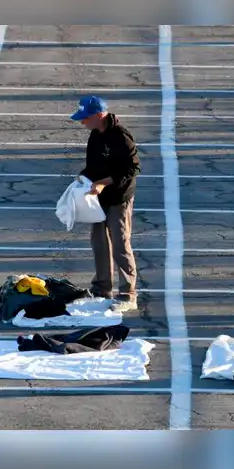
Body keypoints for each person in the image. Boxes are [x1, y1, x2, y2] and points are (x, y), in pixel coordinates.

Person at [71, 96, 141, 312]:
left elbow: (132, 169)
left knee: (120, 244)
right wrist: (83, 177)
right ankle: (102, 288)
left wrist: (103, 183)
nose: (82, 122)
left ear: (99, 115)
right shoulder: (95, 135)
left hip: (118, 197)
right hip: (98, 198)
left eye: (86, 118)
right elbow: (93, 165)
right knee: (99, 242)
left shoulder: (121, 136)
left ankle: (128, 294)